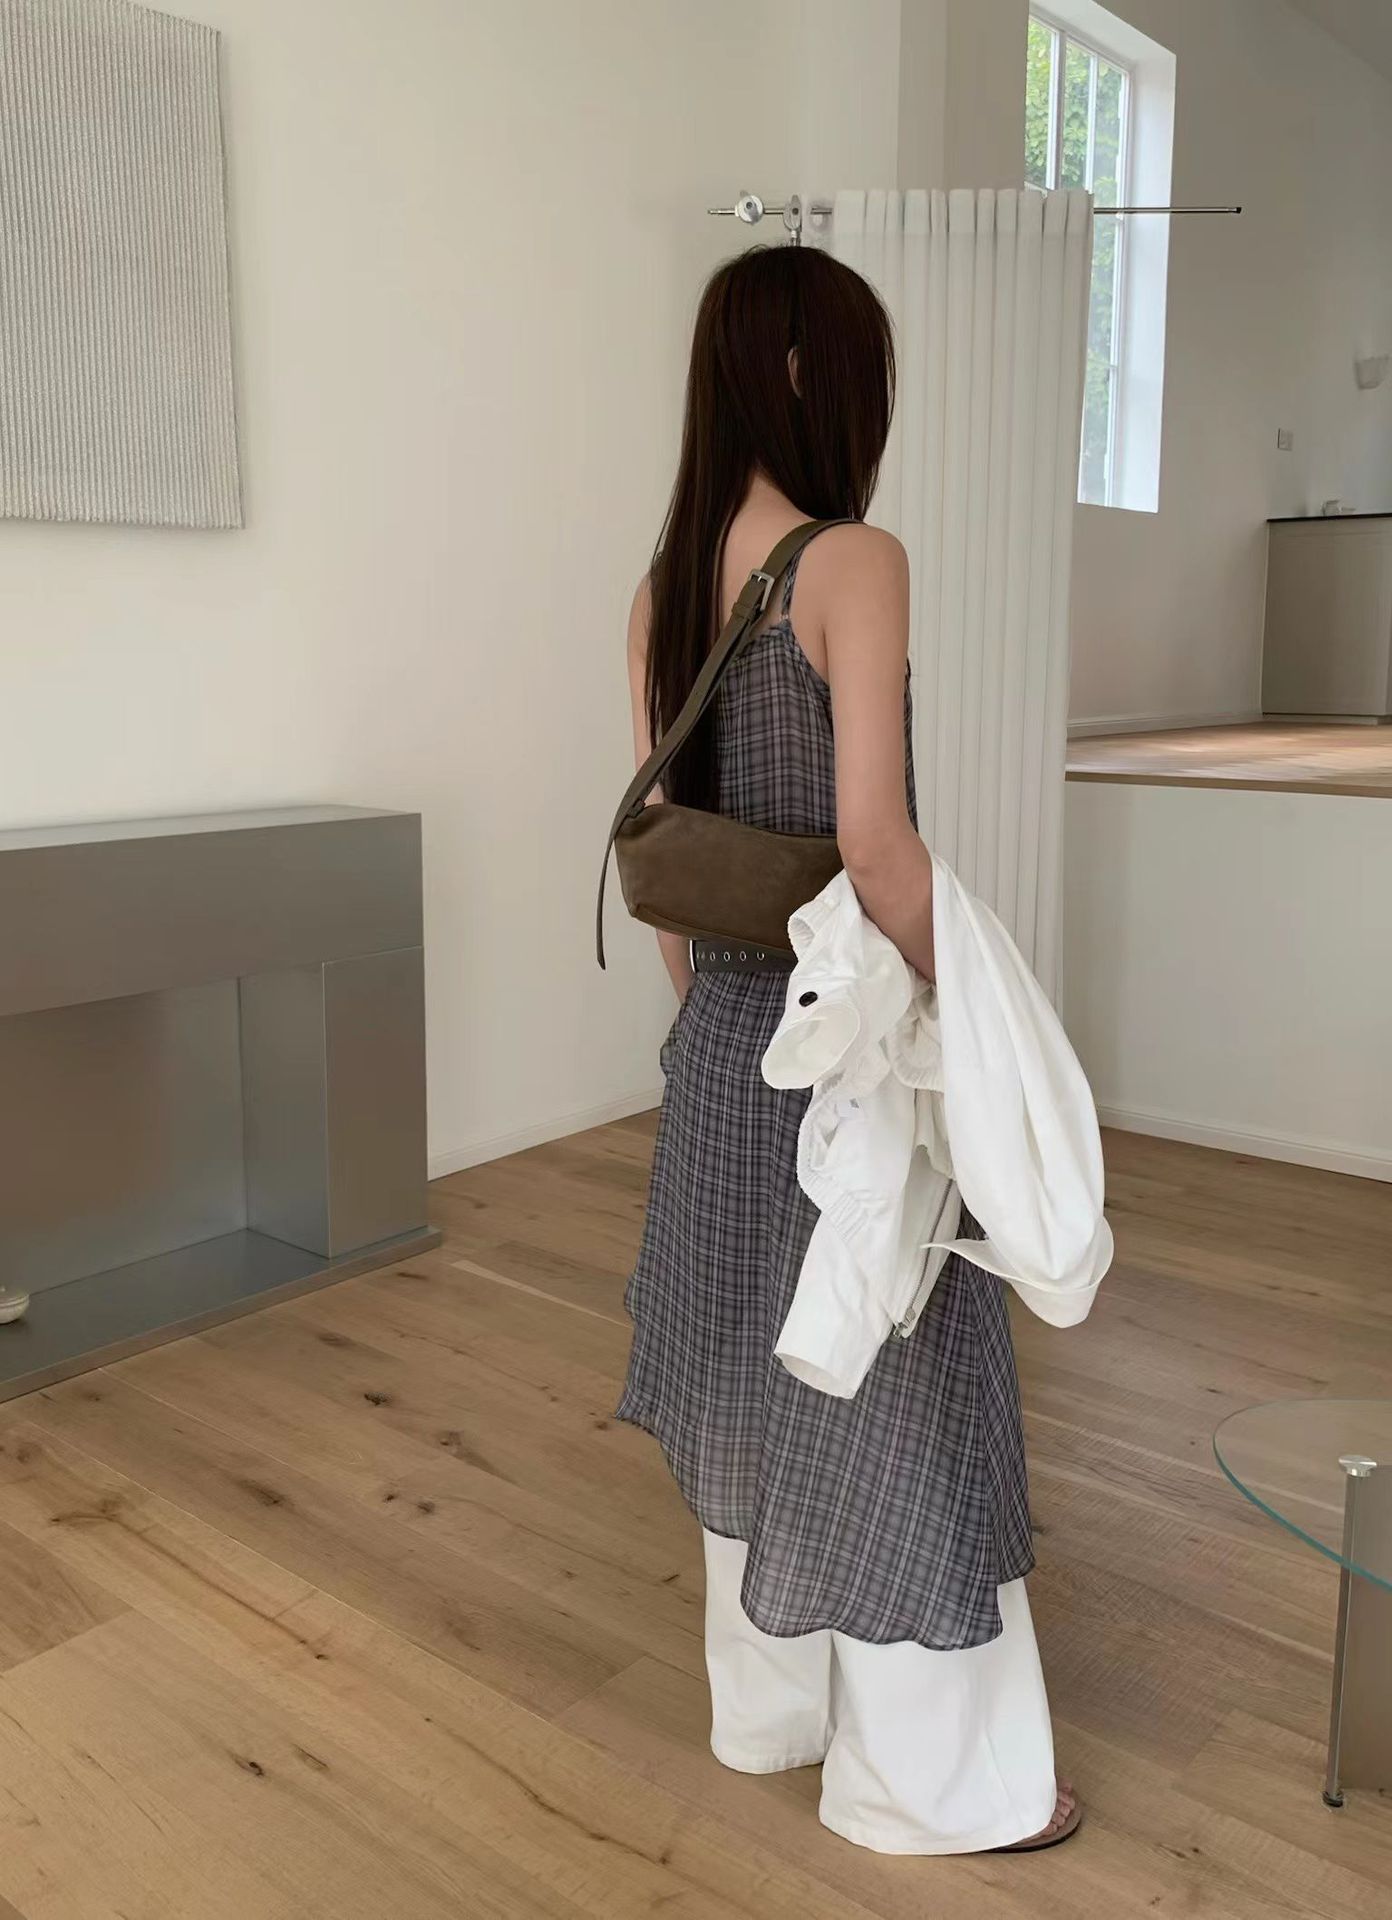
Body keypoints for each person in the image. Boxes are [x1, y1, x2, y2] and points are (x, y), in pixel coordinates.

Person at [614, 244, 1079, 1855]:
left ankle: (773, 1714)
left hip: (727, 1039)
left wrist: (719, 1030)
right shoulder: (851, 561)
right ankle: (923, 1786)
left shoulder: (664, 593)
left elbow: (666, 868)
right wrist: (978, 1017)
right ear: (814, 377)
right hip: (854, 1047)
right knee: (894, 1387)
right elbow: (876, 846)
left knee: (761, 1365)